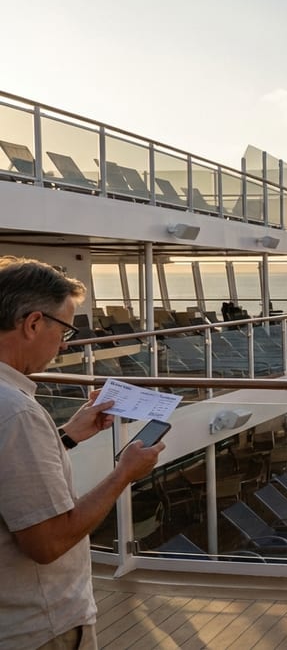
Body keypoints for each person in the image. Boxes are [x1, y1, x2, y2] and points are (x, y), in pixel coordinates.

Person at [0, 256, 163, 649]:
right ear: (34, 323)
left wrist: (66, 437)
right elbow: (48, 542)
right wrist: (124, 473)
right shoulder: (17, 412)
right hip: (36, 625)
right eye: (65, 329)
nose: (64, 343)